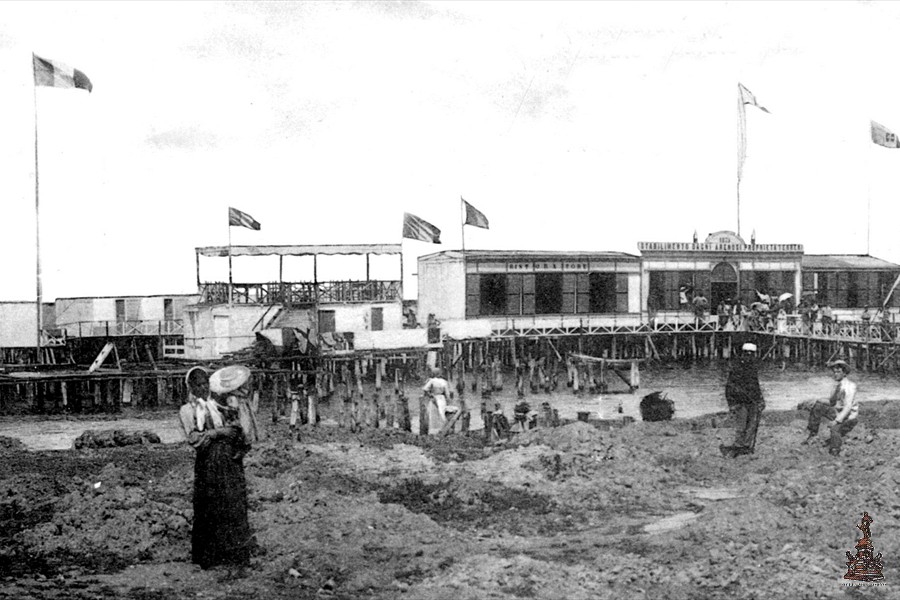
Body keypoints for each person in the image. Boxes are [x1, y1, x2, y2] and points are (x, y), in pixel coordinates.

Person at [179, 366, 253, 570]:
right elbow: (195, 439)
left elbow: (237, 429)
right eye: (198, 384)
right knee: (209, 507)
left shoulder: (219, 404)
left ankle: (235, 554)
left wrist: (218, 434)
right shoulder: (188, 410)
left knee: (233, 504)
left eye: (205, 383)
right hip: (208, 462)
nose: (202, 388)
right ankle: (209, 557)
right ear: (191, 387)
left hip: (229, 461)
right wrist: (219, 433)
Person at [802, 360, 858, 456]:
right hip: (837, 411)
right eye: (834, 372)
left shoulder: (850, 386)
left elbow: (848, 407)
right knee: (817, 406)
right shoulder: (837, 385)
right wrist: (817, 400)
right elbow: (832, 402)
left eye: (838, 372)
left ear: (844, 373)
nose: (835, 374)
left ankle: (835, 449)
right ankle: (812, 434)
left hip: (848, 416)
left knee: (835, 429)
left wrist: (837, 421)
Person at [720, 342, 765, 457]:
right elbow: (729, 387)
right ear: (743, 354)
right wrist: (731, 404)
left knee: (752, 425)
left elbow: (756, 385)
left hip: (753, 401)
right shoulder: (736, 367)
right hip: (740, 402)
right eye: (747, 353)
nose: (749, 356)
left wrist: (761, 399)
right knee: (741, 426)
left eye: (751, 354)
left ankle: (746, 446)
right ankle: (739, 446)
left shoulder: (753, 367)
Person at [210, 365, 261, 443]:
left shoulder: (239, 393)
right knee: (244, 424)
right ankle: (245, 438)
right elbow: (232, 408)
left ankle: (249, 437)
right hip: (239, 411)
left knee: (247, 423)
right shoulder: (232, 397)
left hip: (243, 409)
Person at [422, 367, 450, 434]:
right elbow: (447, 393)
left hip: (434, 397)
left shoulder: (432, 381)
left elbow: (425, 389)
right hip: (442, 398)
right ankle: (444, 428)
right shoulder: (444, 381)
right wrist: (448, 401)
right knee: (442, 413)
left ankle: (434, 430)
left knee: (433, 414)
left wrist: (430, 395)